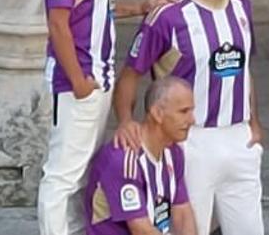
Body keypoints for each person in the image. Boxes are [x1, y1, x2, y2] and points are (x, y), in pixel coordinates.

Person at [38, 0, 173, 235]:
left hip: (98, 79)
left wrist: (140, 8)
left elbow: (97, 8)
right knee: (62, 177)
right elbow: (57, 22)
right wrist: (79, 81)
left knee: (80, 174)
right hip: (80, 82)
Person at [113, 0, 264, 235]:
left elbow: (245, 68)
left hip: (239, 140)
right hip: (190, 142)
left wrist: (254, 123)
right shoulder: (168, 15)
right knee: (190, 229)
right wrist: (126, 120)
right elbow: (130, 73)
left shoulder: (241, 6)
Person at [84, 76, 197, 235]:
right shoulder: (124, 159)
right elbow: (141, 231)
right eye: (184, 111)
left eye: (192, 111)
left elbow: (183, 214)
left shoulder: (174, 153)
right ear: (157, 113)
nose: (192, 120)